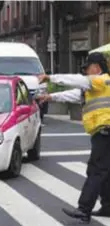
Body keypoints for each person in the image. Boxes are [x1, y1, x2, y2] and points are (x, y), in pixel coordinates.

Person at [38, 52, 110, 224]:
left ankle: (84, 209)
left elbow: (77, 80)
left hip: (105, 132)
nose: (86, 72)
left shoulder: (102, 80)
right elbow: (75, 94)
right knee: (105, 172)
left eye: (88, 68)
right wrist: (51, 97)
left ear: (97, 67)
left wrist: (50, 78)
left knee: (96, 170)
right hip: (102, 132)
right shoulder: (95, 88)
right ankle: (108, 207)